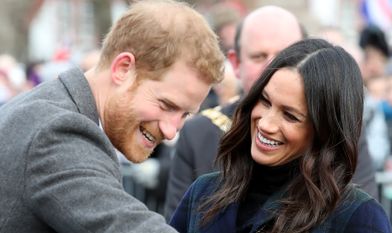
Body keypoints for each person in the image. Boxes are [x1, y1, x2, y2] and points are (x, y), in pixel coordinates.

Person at [0, 1, 224, 232]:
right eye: (166, 105)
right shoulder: (56, 131)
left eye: (185, 114)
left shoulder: (50, 109)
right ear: (123, 68)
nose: (170, 131)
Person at [164, 5, 378, 220]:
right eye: (259, 56)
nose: (266, 124)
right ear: (236, 62)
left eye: (290, 115)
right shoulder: (204, 173)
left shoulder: (356, 212)